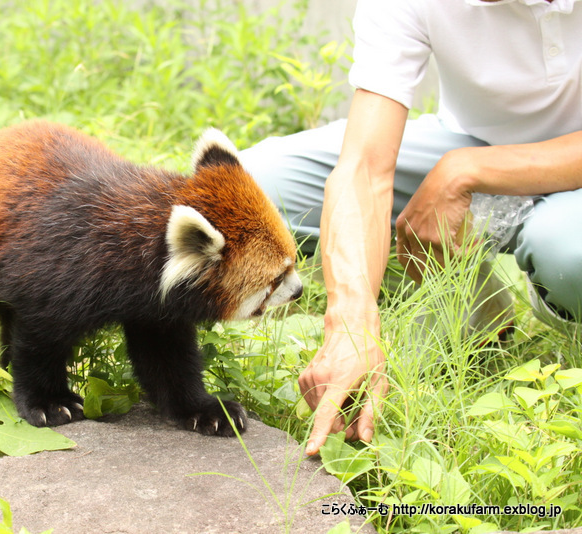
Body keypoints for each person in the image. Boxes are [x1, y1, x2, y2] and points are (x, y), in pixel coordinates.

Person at [240, 0, 582, 456]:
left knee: (567, 254)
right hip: (467, 136)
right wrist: (351, 322)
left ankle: (549, 291)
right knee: (251, 193)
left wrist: (464, 171)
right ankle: (469, 299)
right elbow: (363, 166)